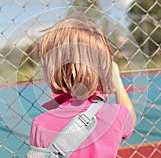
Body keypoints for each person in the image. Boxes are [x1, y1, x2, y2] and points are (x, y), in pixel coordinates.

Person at [27, 13, 136, 158]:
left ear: (54, 71)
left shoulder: (41, 124)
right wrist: (116, 79)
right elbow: (130, 119)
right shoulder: (116, 115)